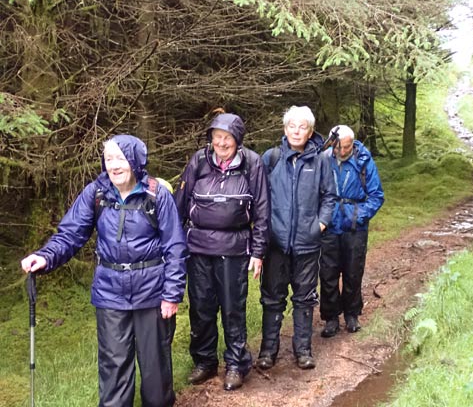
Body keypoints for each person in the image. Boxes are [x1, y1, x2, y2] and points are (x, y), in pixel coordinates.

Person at [20, 135, 188, 407]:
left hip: (152, 294)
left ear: (134, 161)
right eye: (109, 159)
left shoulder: (158, 195)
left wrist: (172, 294)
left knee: (156, 370)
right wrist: (45, 256)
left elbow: (176, 248)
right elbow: (70, 234)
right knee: (114, 369)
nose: (114, 166)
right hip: (110, 294)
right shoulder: (96, 193)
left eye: (120, 159)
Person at [174, 112, 270, 391]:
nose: (221, 143)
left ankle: (236, 364)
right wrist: (175, 245)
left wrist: (259, 251)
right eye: (217, 138)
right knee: (201, 307)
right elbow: (180, 204)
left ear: (237, 140)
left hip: (236, 248)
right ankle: (204, 362)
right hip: (198, 248)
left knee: (232, 309)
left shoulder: (252, 163)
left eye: (227, 138)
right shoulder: (199, 161)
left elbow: (263, 210)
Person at [255, 105, 336, 371]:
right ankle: (268, 351)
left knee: (304, 297)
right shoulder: (272, 157)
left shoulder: (321, 160)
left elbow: (329, 197)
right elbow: (259, 198)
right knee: (272, 298)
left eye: (302, 127)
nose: (297, 131)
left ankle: (303, 350)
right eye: (292, 126)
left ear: (311, 131)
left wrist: (320, 225)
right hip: (276, 244)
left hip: (308, 244)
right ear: (285, 129)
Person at [319, 125, 384, 338]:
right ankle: (330, 317)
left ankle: (352, 314)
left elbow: (376, 195)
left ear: (352, 144)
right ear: (332, 143)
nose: (343, 151)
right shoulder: (322, 159)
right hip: (328, 224)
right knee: (328, 273)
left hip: (354, 226)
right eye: (339, 147)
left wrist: (358, 215)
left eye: (347, 147)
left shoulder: (364, 161)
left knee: (353, 270)